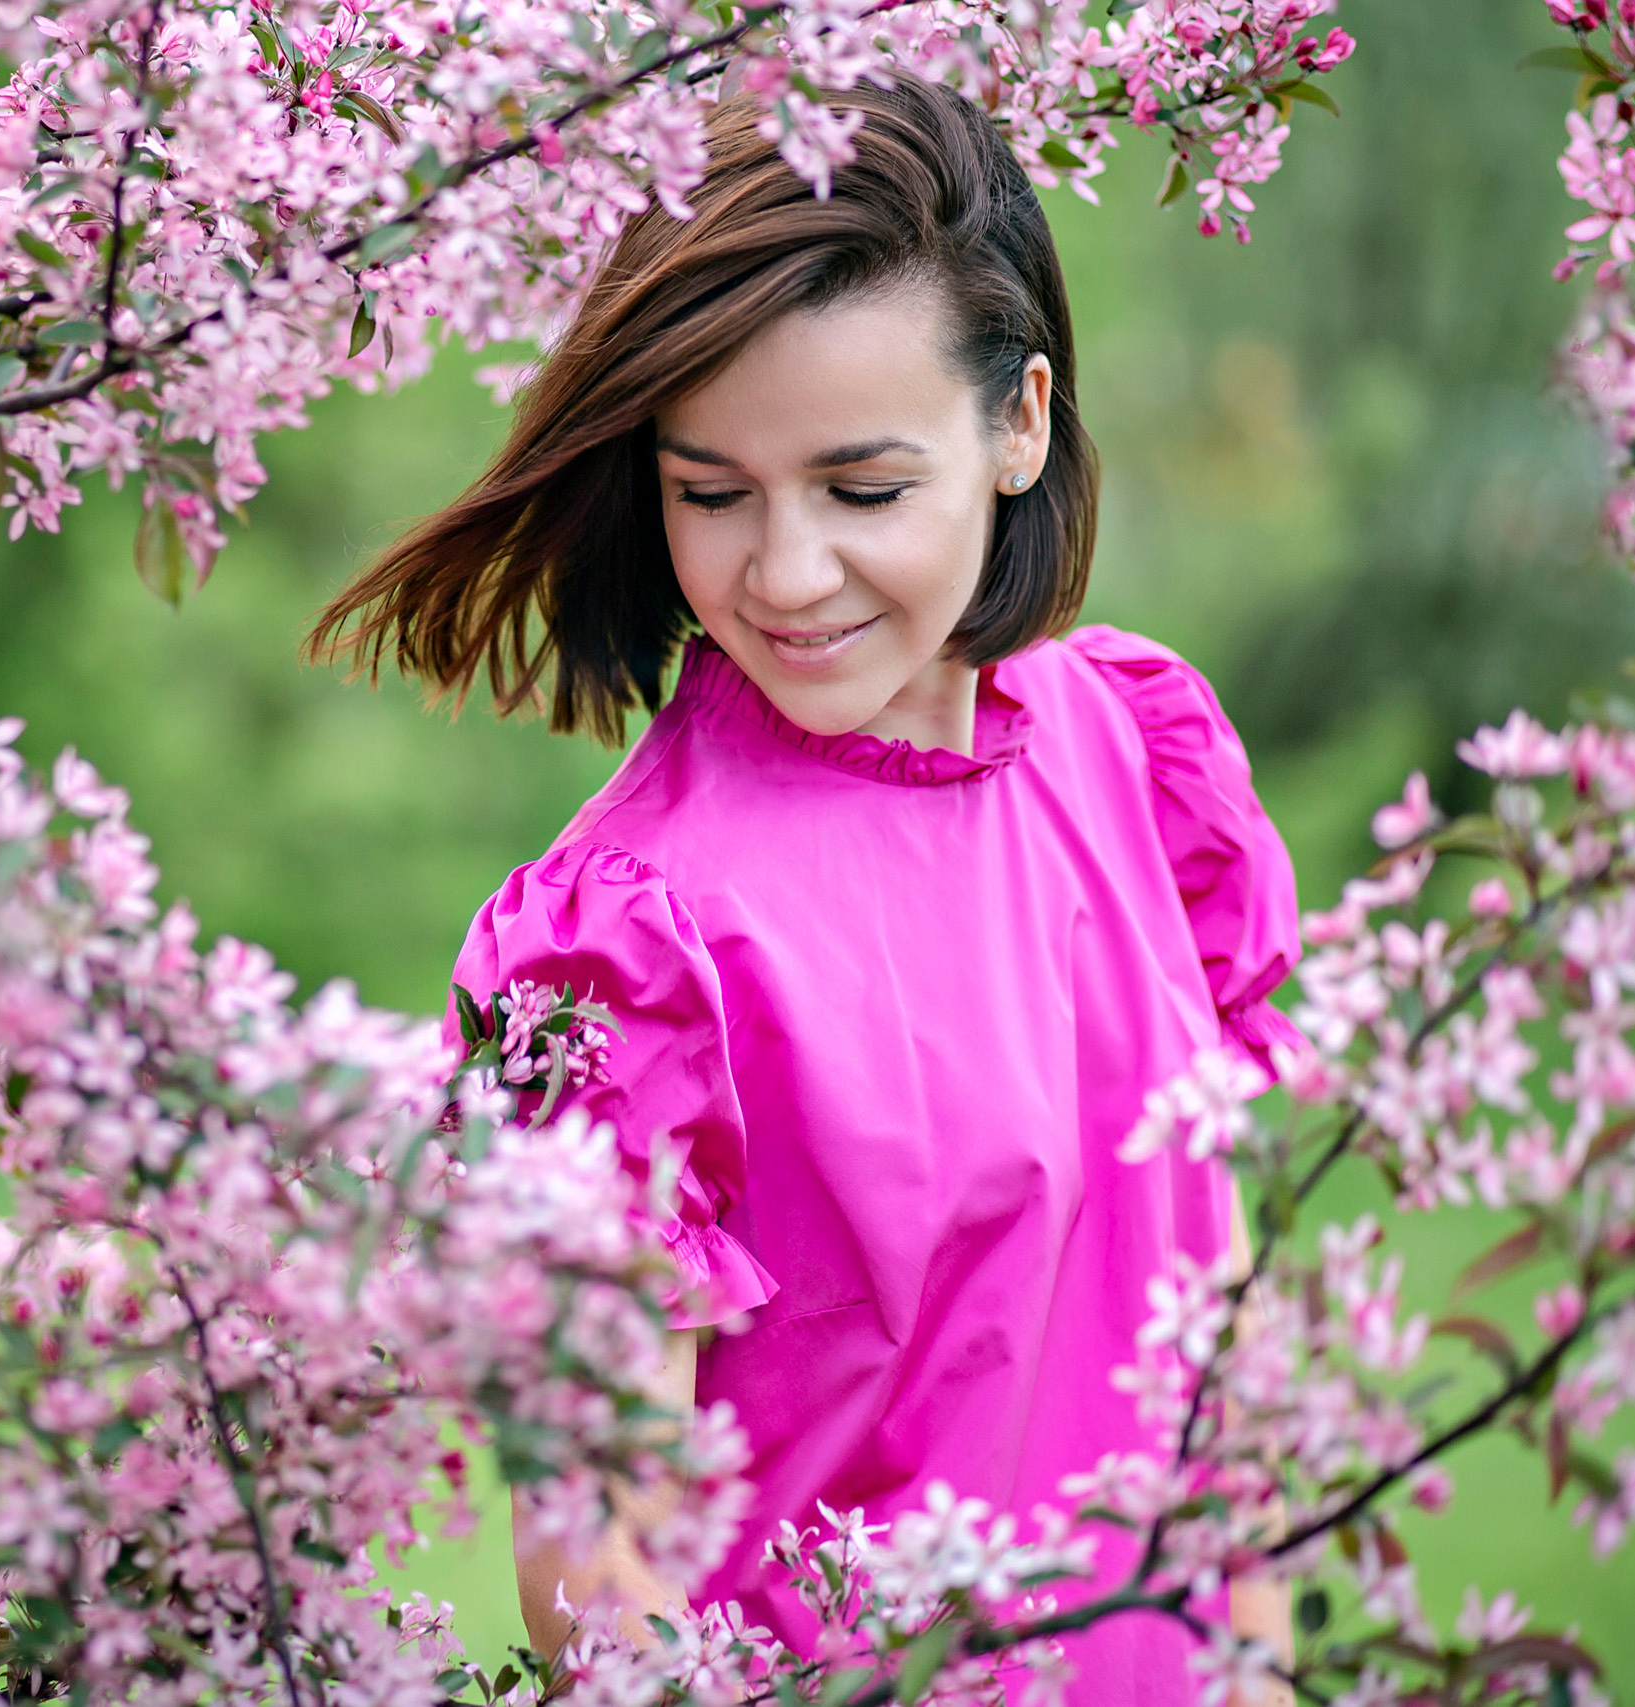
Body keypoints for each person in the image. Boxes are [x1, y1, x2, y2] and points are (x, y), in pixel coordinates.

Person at [310, 72, 1300, 1705]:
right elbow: (600, 1572)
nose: (782, 573)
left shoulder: (1135, 748)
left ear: (1019, 425)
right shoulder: (632, 943)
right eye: (712, 493)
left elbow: (1211, 1287)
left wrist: (1257, 1661)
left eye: (862, 489)